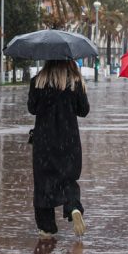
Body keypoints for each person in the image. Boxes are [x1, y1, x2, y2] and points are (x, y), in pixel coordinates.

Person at [27, 60, 90, 239]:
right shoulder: (75, 82)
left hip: (44, 142)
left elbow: (32, 108)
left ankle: (47, 227)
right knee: (68, 179)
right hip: (69, 141)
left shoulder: (38, 81)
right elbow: (84, 110)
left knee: (43, 183)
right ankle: (73, 207)